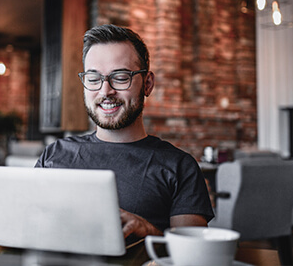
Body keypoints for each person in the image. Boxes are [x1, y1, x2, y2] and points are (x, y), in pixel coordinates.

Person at [35, 24, 214, 242]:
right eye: (93, 79)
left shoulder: (179, 166)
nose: (105, 91)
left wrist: (148, 232)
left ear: (147, 84)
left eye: (120, 77)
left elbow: (193, 256)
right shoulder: (54, 153)